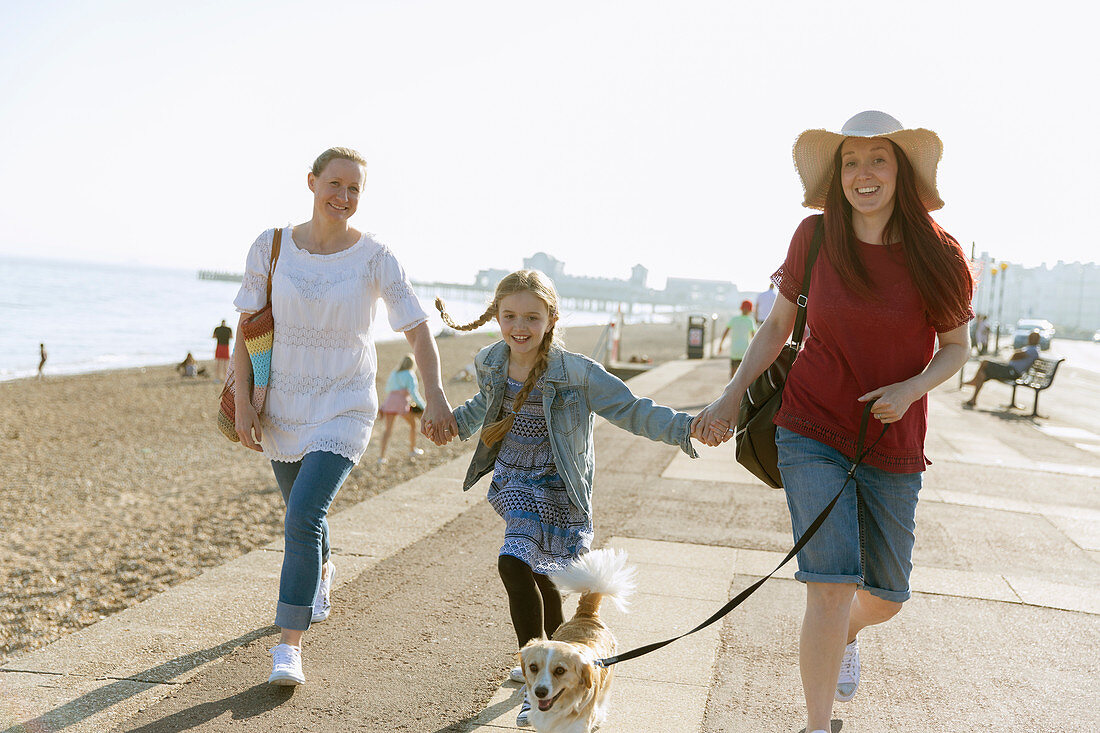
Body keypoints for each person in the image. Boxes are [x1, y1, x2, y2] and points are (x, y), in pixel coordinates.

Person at [692, 111, 973, 733]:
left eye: (878, 159)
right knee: (829, 580)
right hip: (810, 426)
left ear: (901, 171)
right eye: (851, 162)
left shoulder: (939, 252)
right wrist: (730, 396)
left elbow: (955, 346)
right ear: (836, 174)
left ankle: (845, 633)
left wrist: (913, 387)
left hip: (894, 436)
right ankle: (816, 725)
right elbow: (777, 327)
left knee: (888, 595)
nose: (863, 174)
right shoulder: (814, 237)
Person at [433, 270, 702, 726]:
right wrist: (452, 422)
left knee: (548, 581)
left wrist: (684, 428)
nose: (520, 326)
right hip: (517, 483)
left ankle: (553, 677)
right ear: (497, 316)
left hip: (562, 489)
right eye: (510, 316)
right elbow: (484, 404)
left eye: (532, 317)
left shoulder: (576, 372)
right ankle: (534, 686)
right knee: (513, 562)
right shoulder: (490, 360)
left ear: (551, 318)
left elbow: (629, 407)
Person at [231, 146, 454, 688]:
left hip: (347, 402)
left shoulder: (376, 256)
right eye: (335, 184)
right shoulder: (273, 244)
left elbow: (417, 328)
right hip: (281, 404)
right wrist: (242, 403)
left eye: (355, 189)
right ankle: (323, 570)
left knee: (301, 517)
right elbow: (245, 327)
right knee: (302, 512)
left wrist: (437, 394)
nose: (344, 197)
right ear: (311, 183)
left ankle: (288, 647)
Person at [963, 330, 1040, 407]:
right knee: (983, 372)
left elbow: (1016, 355)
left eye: (1032, 337)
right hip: (1009, 370)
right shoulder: (1030, 348)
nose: (1029, 339)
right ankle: (973, 398)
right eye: (1030, 337)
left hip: (1012, 372)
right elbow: (1016, 355)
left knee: (985, 363)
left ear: (1036, 339)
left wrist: (1017, 353)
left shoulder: (1033, 349)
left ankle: (974, 382)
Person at [376, 354, 427, 464]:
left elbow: (387, 388)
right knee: (413, 425)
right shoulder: (410, 374)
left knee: (387, 430)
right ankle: (412, 450)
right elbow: (414, 392)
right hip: (401, 402)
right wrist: (423, 406)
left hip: (390, 401)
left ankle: (381, 457)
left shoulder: (395, 373)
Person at [718, 300, 757, 378]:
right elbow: (754, 337)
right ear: (750, 310)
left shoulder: (734, 319)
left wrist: (720, 345)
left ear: (741, 309)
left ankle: (731, 389)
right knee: (744, 374)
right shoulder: (750, 320)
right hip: (745, 351)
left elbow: (725, 332)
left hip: (734, 351)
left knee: (733, 372)